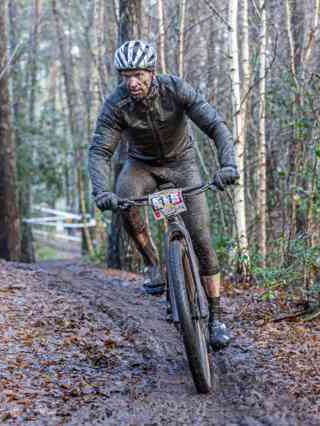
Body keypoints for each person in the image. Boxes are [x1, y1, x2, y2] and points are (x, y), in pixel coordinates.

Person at [88, 40, 239, 351]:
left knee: (202, 240)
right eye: (125, 75)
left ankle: (216, 317)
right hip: (141, 166)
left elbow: (215, 126)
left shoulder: (175, 89)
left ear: (152, 73)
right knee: (125, 198)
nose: (132, 82)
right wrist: (101, 191)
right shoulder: (117, 104)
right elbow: (100, 151)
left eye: (139, 74)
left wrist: (228, 165)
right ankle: (154, 264)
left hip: (182, 165)